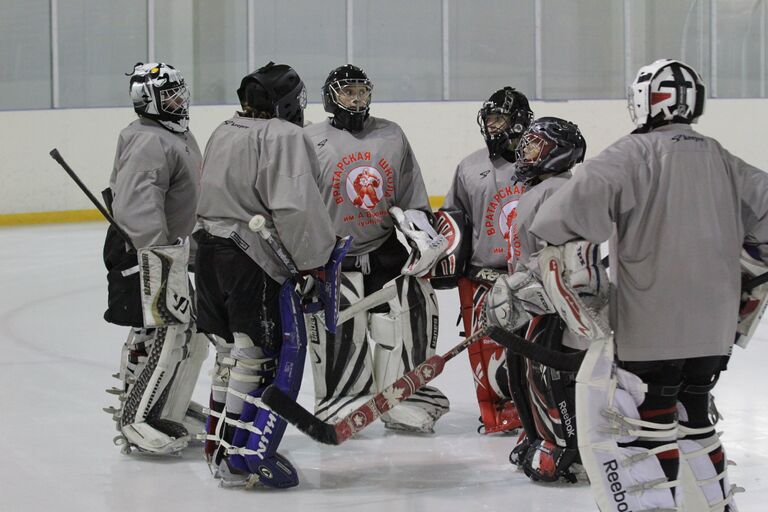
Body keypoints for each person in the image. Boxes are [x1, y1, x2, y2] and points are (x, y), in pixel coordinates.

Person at [528, 59, 766, 511]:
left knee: (648, 424)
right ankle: (716, 504)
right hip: (713, 332)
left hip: (650, 328)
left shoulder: (628, 156)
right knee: (695, 417)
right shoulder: (721, 156)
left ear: (641, 101)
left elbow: (554, 221)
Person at [193, 62, 337, 489]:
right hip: (248, 257)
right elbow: (295, 206)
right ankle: (240, 456)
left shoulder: (224, 128)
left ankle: (218, 446)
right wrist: (314, 259)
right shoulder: (285, 135)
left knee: (229, 355)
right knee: (255, 357)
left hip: (207, 251)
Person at [304, 64, 449, 433]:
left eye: (361, 92)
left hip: (385, 252)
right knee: (341, 339)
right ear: (330, 97)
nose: (356, 99)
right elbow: (301, 203)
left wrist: (420, 235)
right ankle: (342, 400)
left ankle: (402, 397)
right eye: (347, 92)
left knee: (399, 327)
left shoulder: (391, 134)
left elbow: (411, 195)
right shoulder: (310, 139)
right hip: (335, 259)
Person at [103, 62, 208, 456]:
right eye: (171, 95)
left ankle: (165, 405)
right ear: (149, 101)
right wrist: (160, 253)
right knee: (166, 331)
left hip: (169, 250)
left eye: (181, 92)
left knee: (187, 333)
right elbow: (137, 207)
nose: (180, 101)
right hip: (147, 252)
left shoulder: (171, 133)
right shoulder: (150, 140)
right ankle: (136, 416)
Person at [485, 117, 590, 482]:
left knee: (549, 372)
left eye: (534, 146)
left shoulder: (560, 190)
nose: (524, 152)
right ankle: (538, 437)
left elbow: (566, 256)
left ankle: (568, 448)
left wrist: (533, 287)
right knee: (521, 370)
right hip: (536, 302)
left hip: (560, 305)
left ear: (557, 153)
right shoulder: (541, 190)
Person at [439, 87, 533, 434]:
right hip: (482, 277)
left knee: (534, 350)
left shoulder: (540, 163)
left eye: (500, 119)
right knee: (487, 353)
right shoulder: (470, 167)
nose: (492, 126)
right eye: (489, 119)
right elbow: (453, 220)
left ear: (519, 122)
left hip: (530, 278)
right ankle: (495, 413)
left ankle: (534, 408)